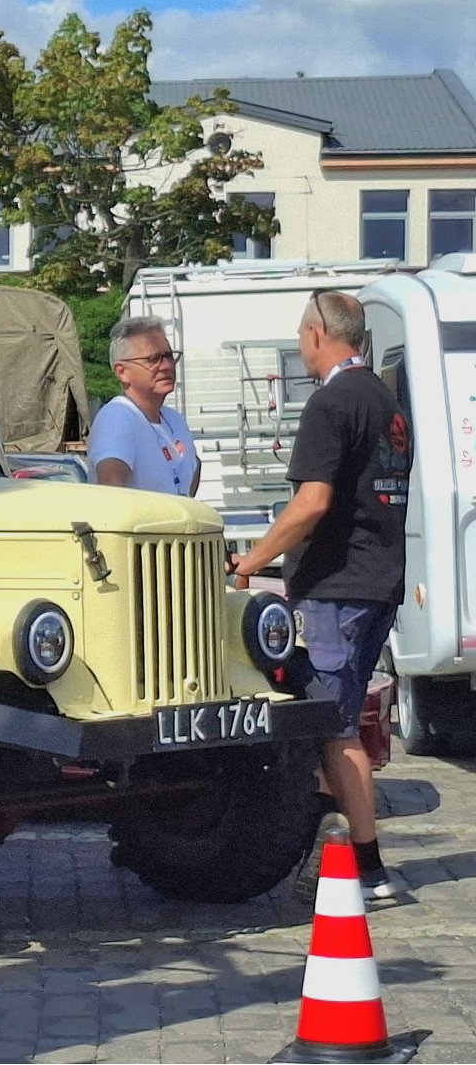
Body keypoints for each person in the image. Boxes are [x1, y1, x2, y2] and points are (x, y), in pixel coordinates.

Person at [230, 290, 410, 902]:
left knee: (334, 728)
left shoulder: (330, 403)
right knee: (337, 718)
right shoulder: (387, 401)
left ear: (315, 333)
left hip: (338, 587)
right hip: (379, 580)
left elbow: (313, 501)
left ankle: (369, 867)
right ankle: (327, 849)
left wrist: (251, 561)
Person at [88, 316, 201, 497]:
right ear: (122, 372)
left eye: (169, 356)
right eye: (153, 359)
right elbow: (111, 493)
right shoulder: (118, 417)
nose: (166, 366)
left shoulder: (173, 419)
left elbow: (191, 477)